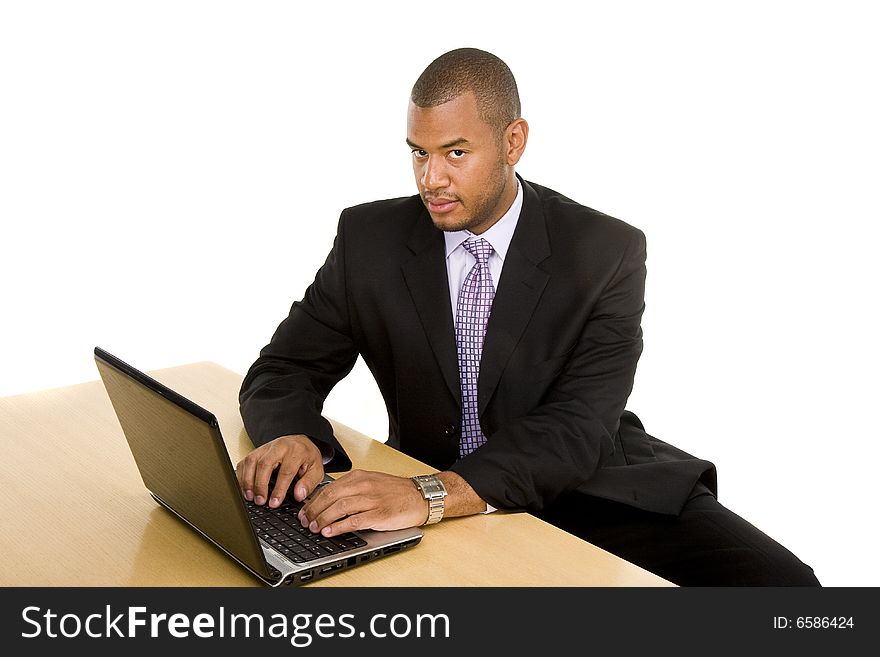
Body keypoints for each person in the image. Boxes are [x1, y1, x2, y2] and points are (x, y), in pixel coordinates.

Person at [236, 47, 819, 586]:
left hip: (588, 487)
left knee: (786, 589)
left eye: (455, 153)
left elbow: (577, 428)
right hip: (427, 495)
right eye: (419, 152)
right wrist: (294, 436)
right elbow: (285, 366)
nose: (429, 179)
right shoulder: (371, 238)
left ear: (513, 142)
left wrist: (434, 494)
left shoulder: (604, 251)